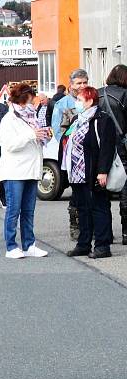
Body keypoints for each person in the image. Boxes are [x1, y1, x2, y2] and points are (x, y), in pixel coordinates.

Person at [63, 86, 117, 259]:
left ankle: (102, 245)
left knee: (98, 208)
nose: (77, 103)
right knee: (83, 209)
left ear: (90, 101)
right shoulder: (77, 119)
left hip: (93, 171)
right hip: (77, 173)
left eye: (80, 100)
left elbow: (107, 147)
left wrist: (102, 171)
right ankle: (83, 244)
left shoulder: (102, 119)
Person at [0, 83, 51, 259]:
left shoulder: (31, 118)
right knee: (14, 210)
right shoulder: (9, 119)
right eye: (29, 101)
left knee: (29, 210)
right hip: (14, 172)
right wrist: (32, 135)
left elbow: (34, 141)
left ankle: (29, 244)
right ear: (21, 101)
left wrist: (44, 136)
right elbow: (10, 145)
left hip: (31, 169)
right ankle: (11, 246)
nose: (31, 104)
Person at [52, 69, 89, 240]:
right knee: (76, 192)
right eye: (78, 83)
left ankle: (89, 226)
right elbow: (58, 131)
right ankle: (75, 225)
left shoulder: (92, 99)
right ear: (71, 85)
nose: (82, 86)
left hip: (89, 153)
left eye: (84, 82)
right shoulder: (63, 104)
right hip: (72, 155)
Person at [98, 64, 127, 244]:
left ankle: (105, 232)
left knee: (102, 192)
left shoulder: (97, 93)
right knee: (125, 189)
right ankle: (126, 233)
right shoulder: (125, 95)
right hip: (121, 148)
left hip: (101, 147)